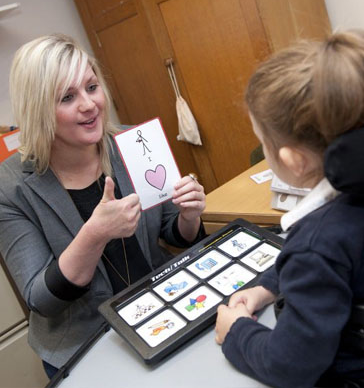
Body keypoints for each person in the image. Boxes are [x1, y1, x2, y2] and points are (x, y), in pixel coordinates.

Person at [0, 34, 206, 379]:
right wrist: (94, 235)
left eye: (91, 87)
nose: (89, 104)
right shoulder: (11, 188)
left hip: (164, 312)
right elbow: (42, 299)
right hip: (86, 347)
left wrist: (190, 214)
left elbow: (176, 235)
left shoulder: (134, 142)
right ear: (38, 109)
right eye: (67, 97)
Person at [215, 30, 364, 388]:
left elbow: (290, 367)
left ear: (294, 160)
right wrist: (268, 286)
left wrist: (237, 332)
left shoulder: (316, 243)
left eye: (261, 140)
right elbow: (336, 269)